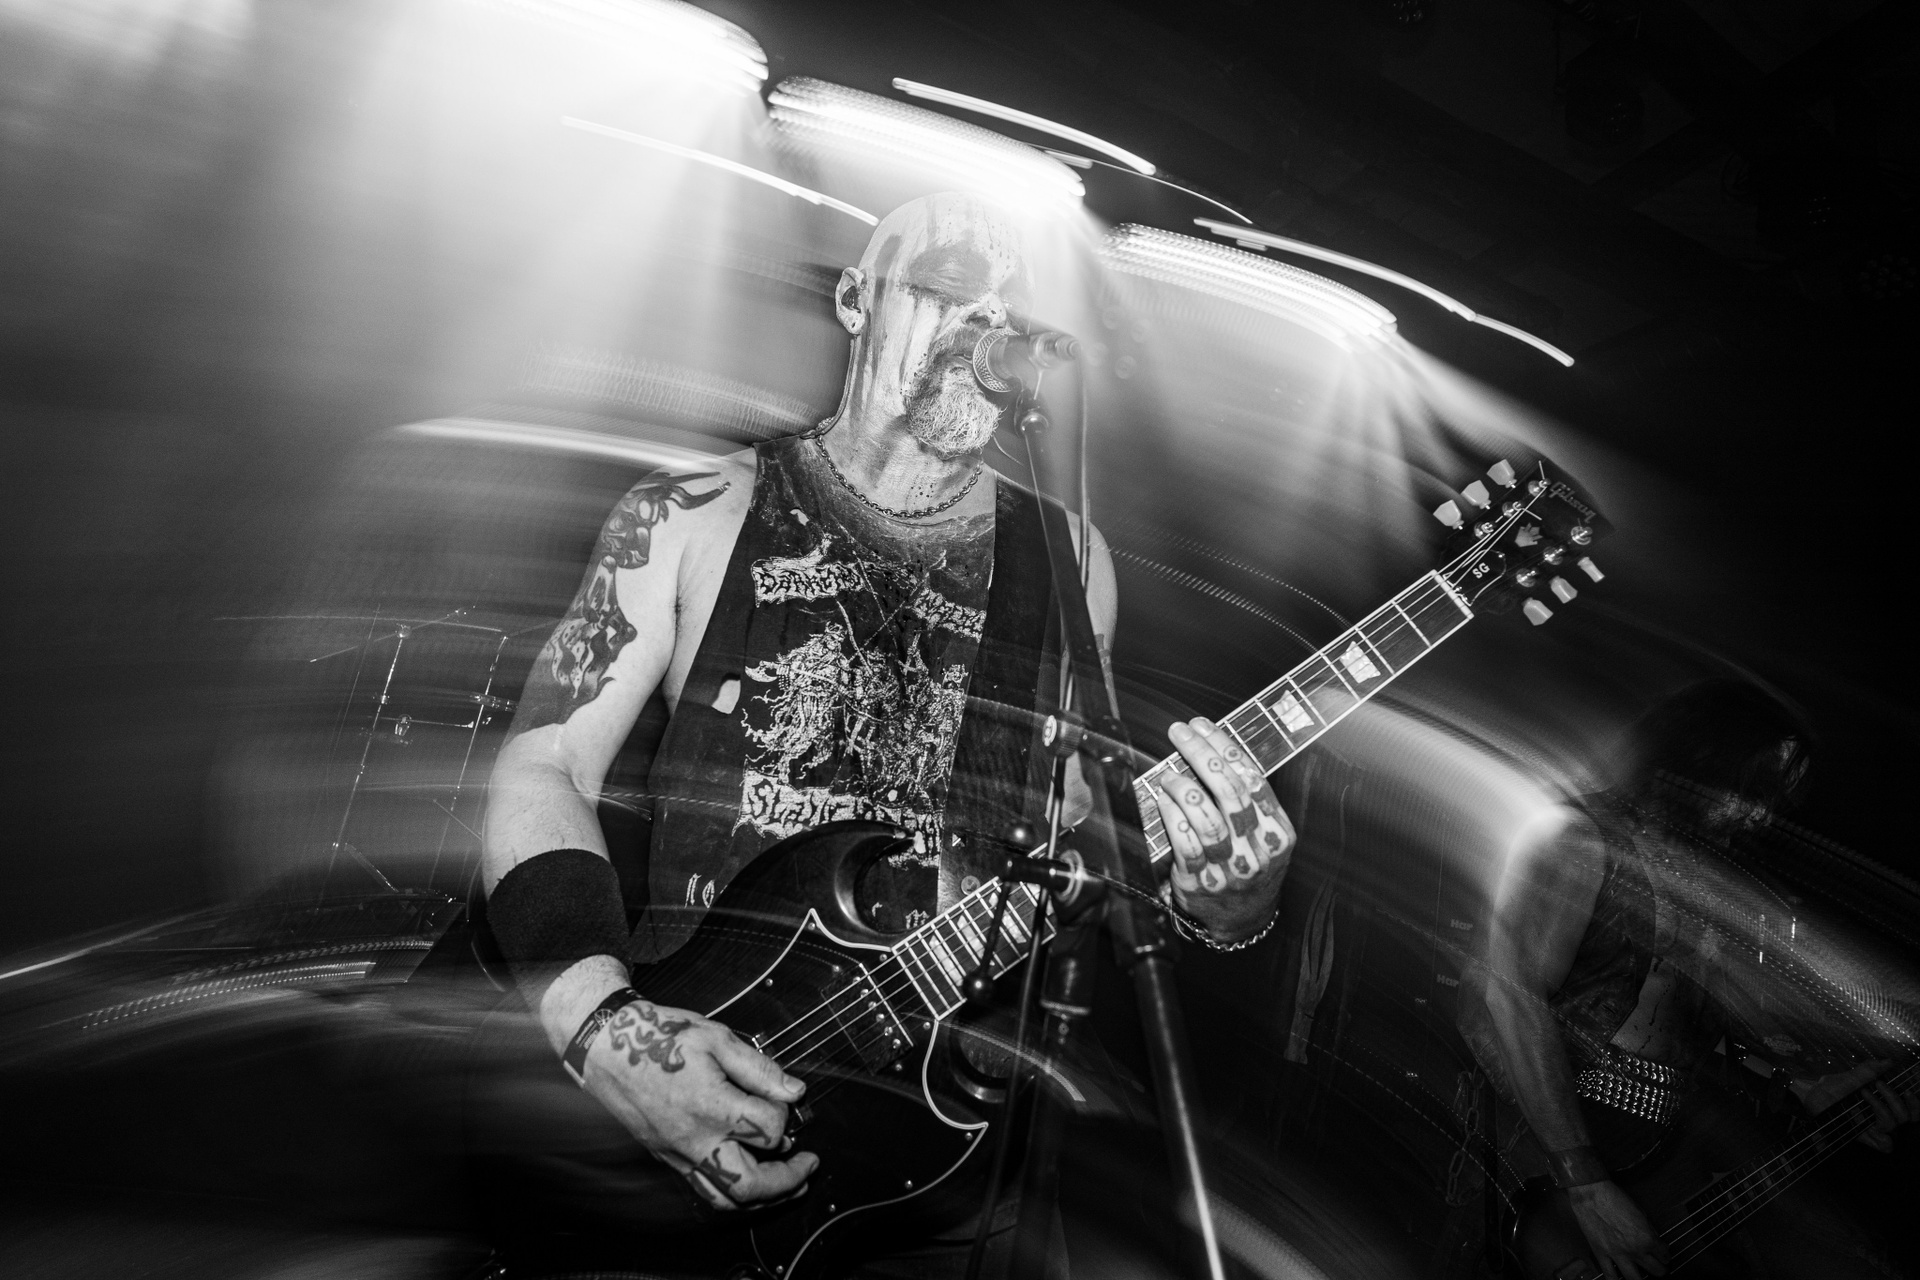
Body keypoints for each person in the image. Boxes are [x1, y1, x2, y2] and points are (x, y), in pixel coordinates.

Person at [478, 192, 1294, 1265]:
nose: (985, 324)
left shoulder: (1066, 560)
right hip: (695, 1051)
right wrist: (603, 1029)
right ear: (856, 301)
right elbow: (547, 762)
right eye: (950, 289)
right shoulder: (695, 511)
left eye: (1009, 309)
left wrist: (1222, 904)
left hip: (926, 1158)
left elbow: (1077, 856)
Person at [1459, 679, 1918, 1280]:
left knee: (1852, 1258)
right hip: (1577, 1138)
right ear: (1697, 760)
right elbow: (1500, 1001)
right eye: (1751, 788)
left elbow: (1711, 1023)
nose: (1761, 813)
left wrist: (1808, 1083)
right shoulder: (1582, 838)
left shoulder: (1701, 870)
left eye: (1776, 797)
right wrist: (1583, 1181)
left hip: (1677, 1125)